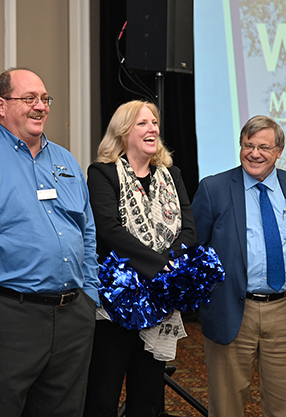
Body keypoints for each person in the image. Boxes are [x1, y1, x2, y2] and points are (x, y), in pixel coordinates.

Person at [0, 67, 99, 417]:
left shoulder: (66, 161)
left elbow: (87, 233)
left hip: (72, 316)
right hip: (8, 319)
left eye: (45, 99)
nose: (40, 106)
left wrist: (89, 296)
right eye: (29, 99)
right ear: (1, 105)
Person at [191, 115, 286, 417]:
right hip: (233, 308)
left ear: (279, 151)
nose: (255, 153)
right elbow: (194, 250)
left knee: (285, 407)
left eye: (264, 146)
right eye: (248, 145)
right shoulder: (214, 189)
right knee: (226, 406)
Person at [83, 100, 197, 417]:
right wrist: (162, 267)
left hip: (159, 303)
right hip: (116, 302)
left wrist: (165, 269)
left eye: (155, 122)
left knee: (148, 396)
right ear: (123, 132)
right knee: (102, 395)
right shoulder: (102, 173)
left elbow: (189, 232)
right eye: (143, 123)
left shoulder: (171, 175)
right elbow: (109, 230)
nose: (153, 129)